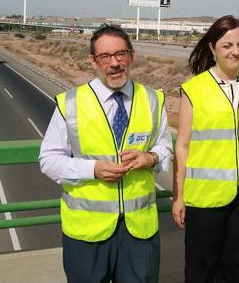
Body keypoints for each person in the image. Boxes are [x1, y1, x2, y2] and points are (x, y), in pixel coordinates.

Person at [39, 25, 172, 283]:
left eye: (120, 54)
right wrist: (92, 169)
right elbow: (49, 160)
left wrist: (150, 158)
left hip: (139, 233)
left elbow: (165, 147)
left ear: (131, 56)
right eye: (105, 57)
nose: (114, 63)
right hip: (88, 234)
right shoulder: (71, 103)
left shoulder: (153, 100)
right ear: (93, 61)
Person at [172, 15, 239, 283]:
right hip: (205, 199)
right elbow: (182, 145)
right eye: (227, 45)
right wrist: (179, 196)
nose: (235, 51)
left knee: (237, 271)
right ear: (212, 49)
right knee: (201, 271)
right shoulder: (194, 89)